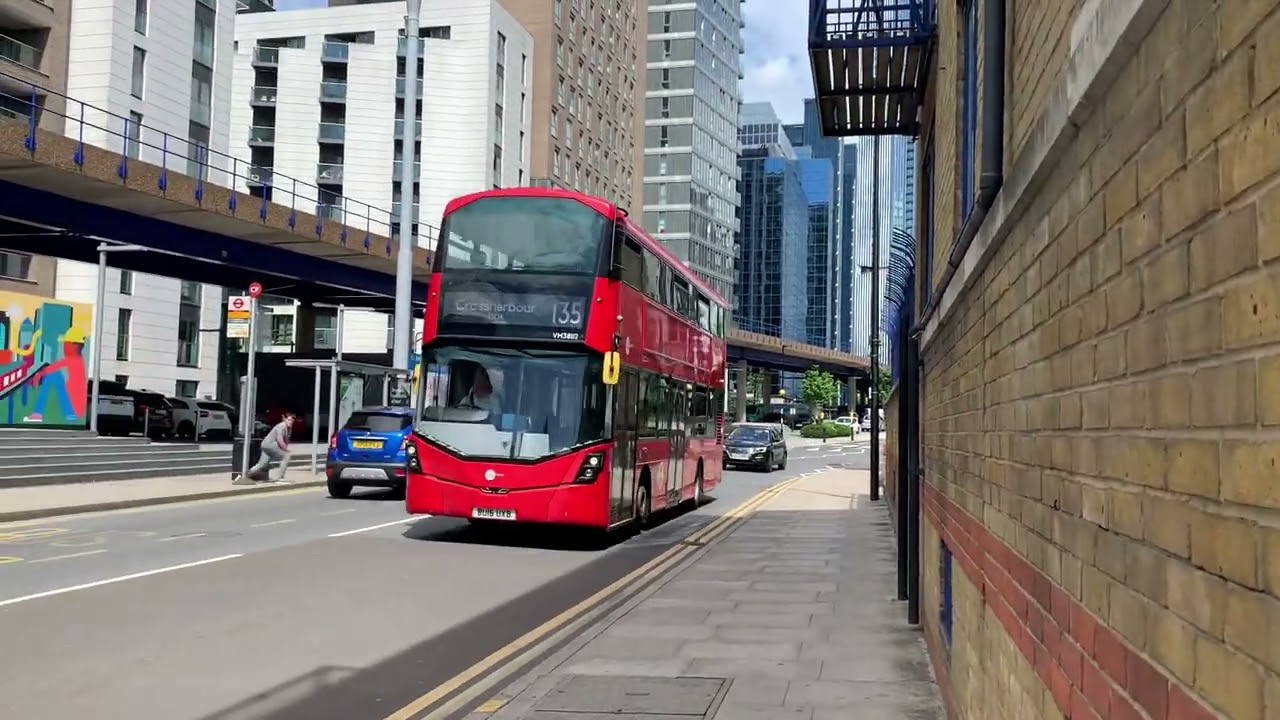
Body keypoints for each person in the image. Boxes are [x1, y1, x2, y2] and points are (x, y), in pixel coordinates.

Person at [235, 411, 294, 484]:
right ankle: (280, 478)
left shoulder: (288, 428)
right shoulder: (282, 426)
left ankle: (245, 476)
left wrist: (284, 448)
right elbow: (280, 439)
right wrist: (286, 449)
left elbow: (286, 441)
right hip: (270, 444)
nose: (290, 422)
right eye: (289, 420)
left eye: (292, 420)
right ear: (284, 419)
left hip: (265, 445)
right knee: (286, 456)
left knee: (262, 464)